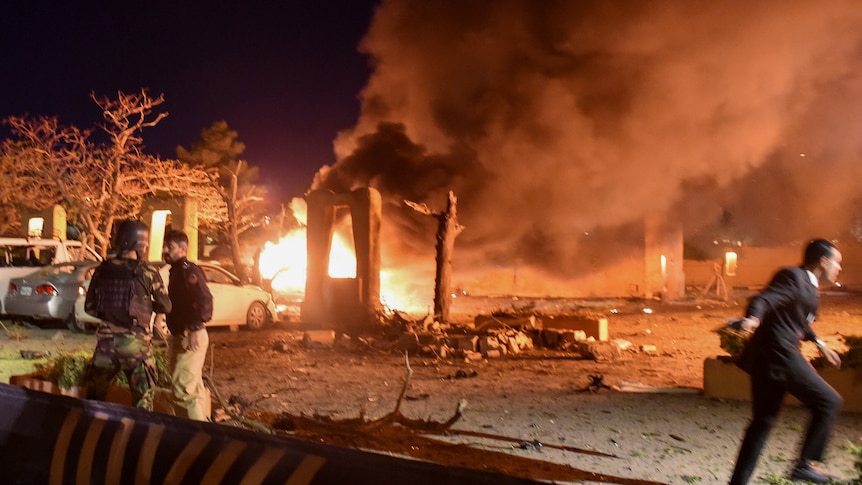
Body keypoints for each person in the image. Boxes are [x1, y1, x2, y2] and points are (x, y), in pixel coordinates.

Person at [729, 239, 844, 484]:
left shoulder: (809, 287)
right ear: (823, 262)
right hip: (779, 353)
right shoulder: (793, 277)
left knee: (762, 422)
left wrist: (819, 343)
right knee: (829, 401)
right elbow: (765, 299)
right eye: (837, 262)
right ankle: (803, 466)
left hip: (768, 358)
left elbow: (798, 319)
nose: (839, 268)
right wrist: (753, 320)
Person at [84, 220, 171, 410]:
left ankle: (90, 435)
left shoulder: (101, 270)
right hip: (136, 347)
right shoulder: (148, 272)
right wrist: (145, 305)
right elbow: (166, 305)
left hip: (105, 346)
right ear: (138, 244)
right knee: (143, 401)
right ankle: (137, 438)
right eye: (145, 243)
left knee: (93, 400)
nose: (147, 247)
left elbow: (89, 308)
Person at [162, 230, 213, 421]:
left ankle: (193, 437)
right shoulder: (177, 271)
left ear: (183, 249)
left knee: (183, 389)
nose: (165, 249)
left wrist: (196, 327)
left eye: (171, 246)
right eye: (165, 245)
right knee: (192, 387)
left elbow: (205, 298)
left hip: (188, 334)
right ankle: (203, 432)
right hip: (181, 334)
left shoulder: (186, 270)